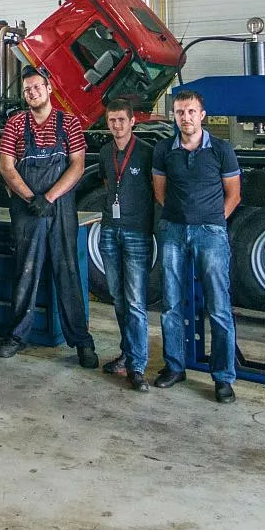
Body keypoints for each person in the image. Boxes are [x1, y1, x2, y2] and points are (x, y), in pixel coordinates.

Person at [0, 67, 97, 366]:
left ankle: (81, 342)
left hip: (59, 207)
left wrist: (49, 198)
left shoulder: (69, 123)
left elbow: (77, 166)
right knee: (25, 271)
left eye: (37, 87)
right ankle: (17, 335)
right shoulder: (15, 124)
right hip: (28, 208)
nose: (32, 93)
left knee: (67, 272)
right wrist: (31, 198)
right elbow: (6, 167)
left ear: (49, 87)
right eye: (27, 89)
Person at [153, 89, 243, 403]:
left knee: (218, 307)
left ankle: (223, 378)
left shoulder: (221, 149)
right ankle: (175, 367)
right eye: (180, 112)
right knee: (171, 305)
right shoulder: (164, 150)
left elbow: (234, 194)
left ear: (202, 115)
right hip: (174, 232)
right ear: (174, 116)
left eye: (191, 112)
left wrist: (212, 221)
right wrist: (182, 218)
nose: (186, 118)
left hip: (211, 234)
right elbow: (160, 192)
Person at [96, 98, 160, 391]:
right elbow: (109, 185)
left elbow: (157, 191)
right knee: (117, 297)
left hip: (136, 233)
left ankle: (138, 366)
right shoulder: (105, 152)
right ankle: (126, 353)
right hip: (110, 231)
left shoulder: (147, 154)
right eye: (112, 120)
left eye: (122, 120)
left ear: (133, 121)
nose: (117, 125)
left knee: (135, 301)